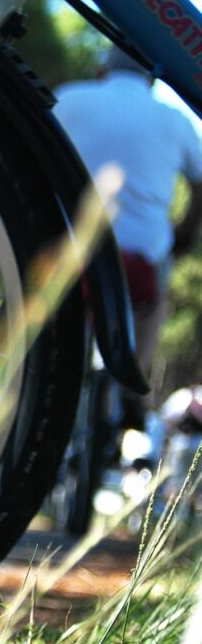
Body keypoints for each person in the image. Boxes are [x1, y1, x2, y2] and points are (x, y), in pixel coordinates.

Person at [53, 46, 202, 409]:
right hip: (139, 259)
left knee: (47, 318)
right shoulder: (173, 118)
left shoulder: (68, 98)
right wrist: (184, 233)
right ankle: (132, 386)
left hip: (70, 254)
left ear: (102, 69)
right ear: (151, 79)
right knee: (152, 302)